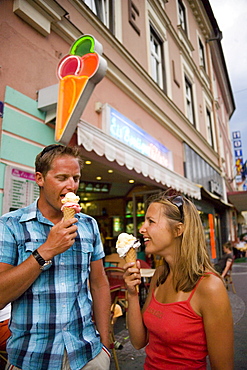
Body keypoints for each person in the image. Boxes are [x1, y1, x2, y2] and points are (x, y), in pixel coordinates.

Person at [0, 144, 111, 370]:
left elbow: (99, 283)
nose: (71, 185)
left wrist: (105, 345)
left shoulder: (89, 225)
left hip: (87, 354)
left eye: (76, 178)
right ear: (40, 178)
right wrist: (46, 251)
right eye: (62, 177)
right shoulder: (10, 225)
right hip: (30, 357)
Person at [123, 192, 233, 370]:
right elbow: (138, 341)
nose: (142, 229)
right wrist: (132, 293)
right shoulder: (159, 275)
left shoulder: (210, 286)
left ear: (178, 230)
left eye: (151, 221)